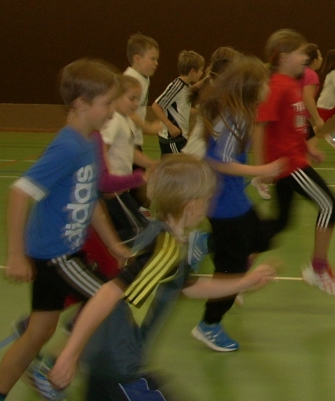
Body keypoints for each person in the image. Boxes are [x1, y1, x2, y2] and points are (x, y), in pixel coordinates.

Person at [47, 155, 277, 400]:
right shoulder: (165, 251)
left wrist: (243, 282)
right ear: (192, 206)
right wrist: (70, 354)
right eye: (208, 199)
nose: (210, 205)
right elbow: (108, 293)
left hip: (104, 359)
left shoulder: (159, 234)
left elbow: (189, 286)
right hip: (120, 367)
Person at [0, 59, 130, 401]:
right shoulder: (67, 146)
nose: (112, 111)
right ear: (81, 104)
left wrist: (113, 244)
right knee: (110, 303)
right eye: (107, 103)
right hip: (57, 256)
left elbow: (90, 200)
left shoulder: (89, 141)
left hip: (63, 252)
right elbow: (19, 193)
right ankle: (54, 370)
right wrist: (16, 255)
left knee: (37, 334)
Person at [192, 54, 285, 352]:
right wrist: (261, 170)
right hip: (225, 207)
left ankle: (206, 243)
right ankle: (209, 325)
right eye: (265, 82)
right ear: (252, 87)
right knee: (231, 273)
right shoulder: (235, 118)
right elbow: (218, 162)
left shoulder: (241, 113)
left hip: (235, 201)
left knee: (261, 238)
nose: (269, 87)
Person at [257, 29, 335, 295]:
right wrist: (261, 167)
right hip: (289, 165)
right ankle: (318, 268)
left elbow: (291, 127)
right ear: (284, 57)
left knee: (280, 222)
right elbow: (260, 125)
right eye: (300, 53)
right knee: (330, 204)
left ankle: (238, 263)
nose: (305, 57)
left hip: (294, 158)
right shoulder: (277, 86)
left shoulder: (292, 84)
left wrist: (308, 147)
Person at [99, 74, 158, 243]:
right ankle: (106, 249)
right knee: (135, 228)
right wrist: (107, 179)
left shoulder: (127, 121)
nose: (136, 103)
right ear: (116, 97)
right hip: (114, 189)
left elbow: (130, 152)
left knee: (131, 227)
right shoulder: (114, 121)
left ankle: (110, 249)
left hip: (122, 187)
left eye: (138, 99)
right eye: (131, 98)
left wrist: (152, 163)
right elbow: (102, 149)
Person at [151, 50, 205, 155]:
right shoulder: (177, 87)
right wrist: (170, 126)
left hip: (179, 138)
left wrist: (207, 79)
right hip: (173, 139)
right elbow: (156, 106)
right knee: (181, 164)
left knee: (175, 164)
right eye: (201, 70)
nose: (202, 73)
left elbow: (182, 106)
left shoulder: (185, 86)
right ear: (193, 71)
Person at [122, 33, 159, 157]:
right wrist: (149, 127)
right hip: (124, 138)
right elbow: (126, 111)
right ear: (137, 59)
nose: (156, 63)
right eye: (152, 59)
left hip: (133, 138)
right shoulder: (131, 79)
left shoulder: (143, 78)